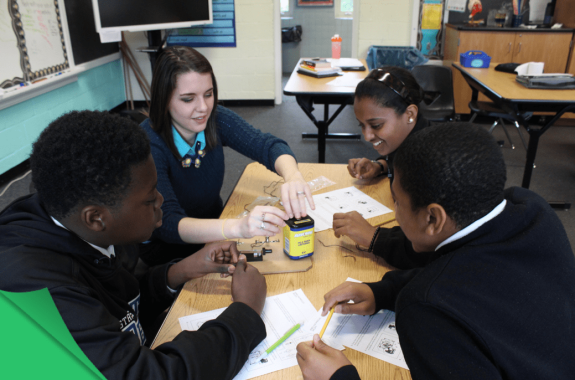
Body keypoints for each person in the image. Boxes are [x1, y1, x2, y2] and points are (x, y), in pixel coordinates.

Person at [0, 110, 267, 380]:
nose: (161, 201)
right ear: (96, 218)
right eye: (150, 199)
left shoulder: (87, 227)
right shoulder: (40, 292)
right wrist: (246, 311)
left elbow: (116, 303)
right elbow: (149, 375)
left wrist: (181, 270)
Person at [296, 122, 575, 379]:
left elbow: (455, 285)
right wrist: (383, 292)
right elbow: (474, 278)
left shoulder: (426, 311)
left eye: (397, 202)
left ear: (432, 218)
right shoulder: (530, 208)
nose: (394, 211)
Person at [140, 46, 314, 265]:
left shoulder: (216, 119)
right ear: (164, 99)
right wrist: (237, 227)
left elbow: (267, 145)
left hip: (216, 230)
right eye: (188, 99)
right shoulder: (149, 144)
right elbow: (169, 224)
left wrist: (293, 176)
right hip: (171, 253)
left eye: (208, 94)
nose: (203, 107)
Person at [332, 66, 431, 251]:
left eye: (376, 125)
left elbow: (429, 246)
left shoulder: (428, 165)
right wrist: (381, 165)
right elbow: (398, 157)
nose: (367, 136)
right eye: (361, 125)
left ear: (410, 114)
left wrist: (374, 236)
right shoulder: (409, 140)